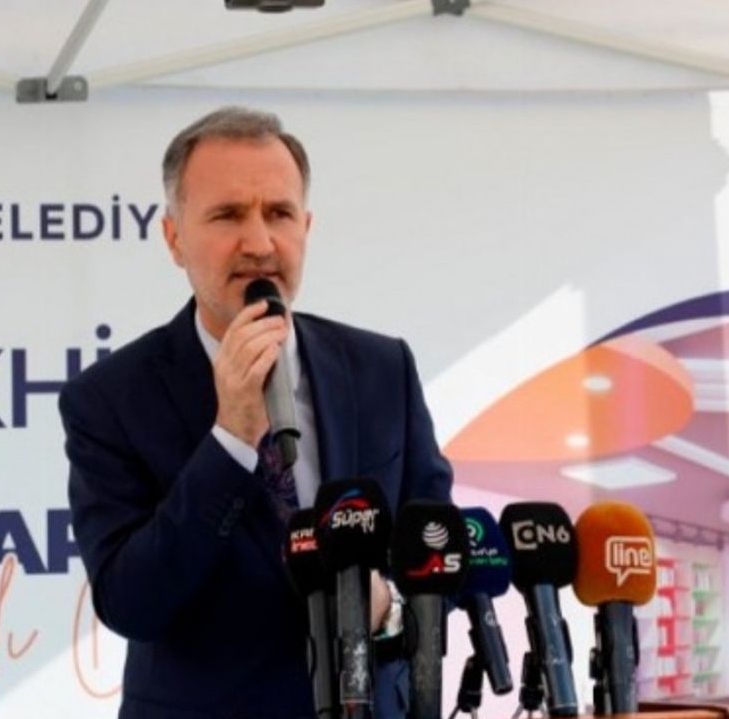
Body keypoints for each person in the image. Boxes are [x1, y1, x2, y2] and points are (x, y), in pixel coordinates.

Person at [60, 106, 453, 718]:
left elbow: (438, 557)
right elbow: (132, 603)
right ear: (174, 238)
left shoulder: (381, 368)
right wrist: (231, 438)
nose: (260, 243)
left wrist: (387, 607)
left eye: (279, 213)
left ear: (306, 226)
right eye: (227, 215)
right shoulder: (110, 399)